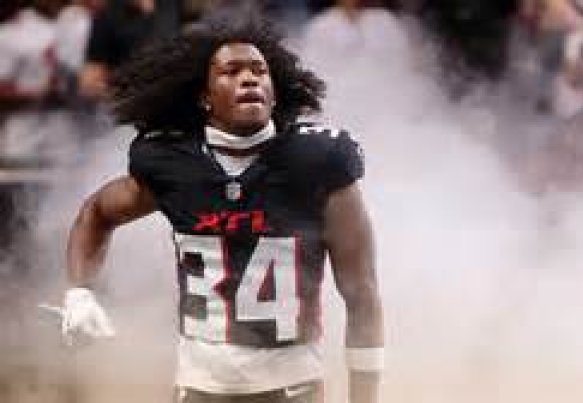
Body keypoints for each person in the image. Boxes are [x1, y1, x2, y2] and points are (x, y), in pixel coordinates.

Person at [61, 17, 384, 403]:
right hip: (200, 388)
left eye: (259, 71)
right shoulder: (173, 163)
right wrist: (79, 292)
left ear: (275, 94)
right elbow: (96, 213)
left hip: (293, 388)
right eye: (231, 71)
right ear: (205, 98)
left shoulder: (317, 163)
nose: (249, 79)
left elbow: (362, 295)